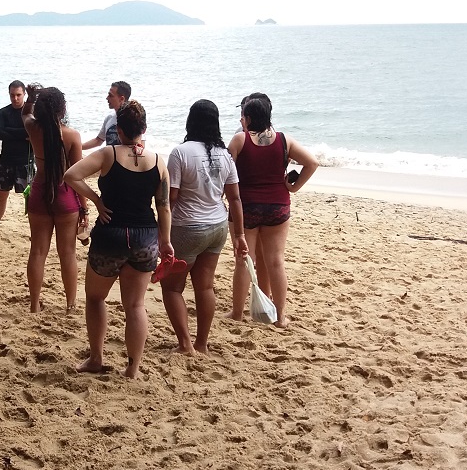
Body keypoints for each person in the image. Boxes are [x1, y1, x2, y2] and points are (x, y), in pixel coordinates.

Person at [64, 100, 170, 379]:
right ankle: (132, 368)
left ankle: (97, 358)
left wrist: (97, 201)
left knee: (96, 298)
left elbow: (71, 175)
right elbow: (164, 206)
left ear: (119, 129)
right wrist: (166, 240)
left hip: (110, 235)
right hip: (145, 237)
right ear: (144, 128)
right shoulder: (159, 162)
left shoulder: (107, 154)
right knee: (135, 306)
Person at [163, 100, 247, 354]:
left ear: (191, 121)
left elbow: (171, 198)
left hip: (187, 227)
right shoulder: (225, 155)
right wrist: (240, 234)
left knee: (172, 288)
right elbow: (234, 198)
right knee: (205, 286)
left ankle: (185, 344)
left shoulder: (180, 152)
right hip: (218, 226)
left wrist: (161, 230)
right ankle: (202, 344)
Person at [227, 93, 318, 327]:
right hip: (278, 206)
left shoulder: (239, 140)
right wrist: (294, 187)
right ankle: (280, 317)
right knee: (275, 261)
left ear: (246, 118)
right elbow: (312, 162)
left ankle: (237, 313)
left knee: (244, 260)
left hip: (247, 207)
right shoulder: (284, 140)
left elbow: (224, 172)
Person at [21, 85, 86, 312]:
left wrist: (30, 97)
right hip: (64, 194)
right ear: (62, 109)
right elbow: (77, 175)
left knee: (38, 250)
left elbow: (25, 113)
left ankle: (34, 304)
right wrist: (84, 208)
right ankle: (70, 304)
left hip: (39, 192)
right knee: (67, 252)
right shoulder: (71, 136)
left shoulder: (32, 128)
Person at [0, 80, 30, 236]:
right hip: (6, 160)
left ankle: (35, 231)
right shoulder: (4, 112)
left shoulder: (29, 112)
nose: (15, 98)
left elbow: (32, 132)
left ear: (24, 94)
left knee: (30, 199)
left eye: (18, 95)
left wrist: (11, 132)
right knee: (1, 197)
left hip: (25, 162)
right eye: (12, 95)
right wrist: (22, 133)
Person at [81, 81, 131, 150]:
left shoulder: (133, 119)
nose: (107, 98)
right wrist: (77, 147)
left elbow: (140, 145)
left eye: (111, 95)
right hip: (109, 158)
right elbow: (98, 141)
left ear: (121, 99)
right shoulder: (109, 118)